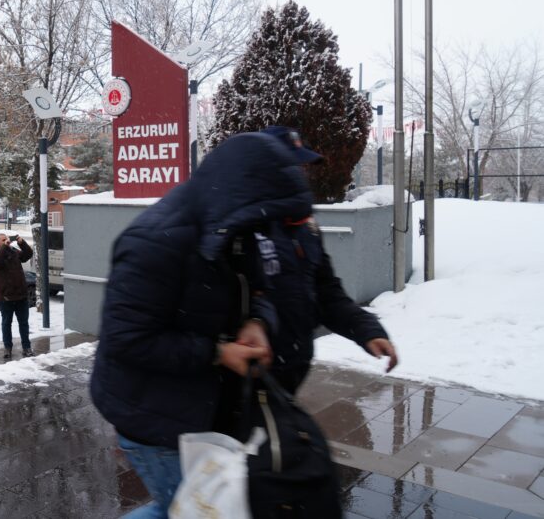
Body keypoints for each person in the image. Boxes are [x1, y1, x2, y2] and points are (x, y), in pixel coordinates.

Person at [91, 132, 312, 519]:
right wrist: (217, 351)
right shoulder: (153, 241)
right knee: (193, 511)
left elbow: (261, 290)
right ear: (240, 195)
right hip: (154, 420)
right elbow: (127, 338)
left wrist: (258, 321)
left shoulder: (239, 230)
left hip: (205, 411)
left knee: (188, 509)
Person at [257, 126, 398, 393]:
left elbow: (326, 292)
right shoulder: (245, 228)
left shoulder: (305, 227)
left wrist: (367, 329)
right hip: (248, 380)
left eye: (302, 167)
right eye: (291, 166)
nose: (300, 174)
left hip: (290, 374)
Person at [0, 233, 35, 359]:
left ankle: (27, 347)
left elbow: (28, 255)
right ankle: (7, 348)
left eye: (7, 239)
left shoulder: (13, 252)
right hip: (5, 297)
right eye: (3, 240)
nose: (6, 241)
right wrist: (5, 247)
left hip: (21, 295)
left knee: (23, 323)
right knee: (6, 323)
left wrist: (21, 242)